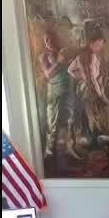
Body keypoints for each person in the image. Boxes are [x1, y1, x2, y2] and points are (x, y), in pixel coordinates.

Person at [67, 22, 109, 141]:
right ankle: (105, 133)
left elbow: (70, 70)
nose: (101, 47)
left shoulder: (80, 56)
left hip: (87, 89)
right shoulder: (92, 56)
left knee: (91, 113)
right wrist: (100, 94)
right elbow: (92, 78)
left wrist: (81, 77)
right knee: (103, 106)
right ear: (92, 43)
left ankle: (95, 136)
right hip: (92, 89)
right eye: (99, 44)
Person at [39, 32, 78, 160]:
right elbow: (48, 74)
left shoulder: (64, 52)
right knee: (52, 123)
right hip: (54, 91)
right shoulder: (44, 56)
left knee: (70, 120)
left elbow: (74, 67)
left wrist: (69, 61)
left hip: (68, 90)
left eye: (50, 39)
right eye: (46, 39)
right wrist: (59, 62)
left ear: (55, 39)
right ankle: (49, 151)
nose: (49, 41)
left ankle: (70, 148)